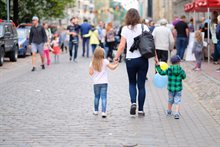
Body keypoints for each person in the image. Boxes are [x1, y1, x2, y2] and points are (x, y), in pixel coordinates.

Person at [115, 8, 149, 116]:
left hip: (130, 60)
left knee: (132, 83)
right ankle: (141, 110)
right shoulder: (144, 27)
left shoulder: (125, 29)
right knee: (141, 85)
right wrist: (156, 58)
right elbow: (151, 44)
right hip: (143, 59)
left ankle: (133, 102)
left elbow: (122, 45)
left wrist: (116, 57)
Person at [89, 47, 119, 118]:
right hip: (104, 83)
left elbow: (90, 73)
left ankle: (96, 111)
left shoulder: (92, 62)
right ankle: (103, 112)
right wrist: (116, 64)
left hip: (96, 83)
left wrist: (94, 71)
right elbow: (112, 68)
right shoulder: (105, 61)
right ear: (102, 54)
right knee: (104, 97)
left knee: (96, 97)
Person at [155, 55, 186, 119]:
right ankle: (176, 113)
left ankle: (169, 111)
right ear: (178, 62)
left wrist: (158, 66)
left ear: (171, 62)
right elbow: (184, 77)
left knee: (170, 100)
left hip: (171, 88)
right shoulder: (181, 70)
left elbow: (161, 73)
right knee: (177, 100)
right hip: (178, 89)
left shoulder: (169, 69)